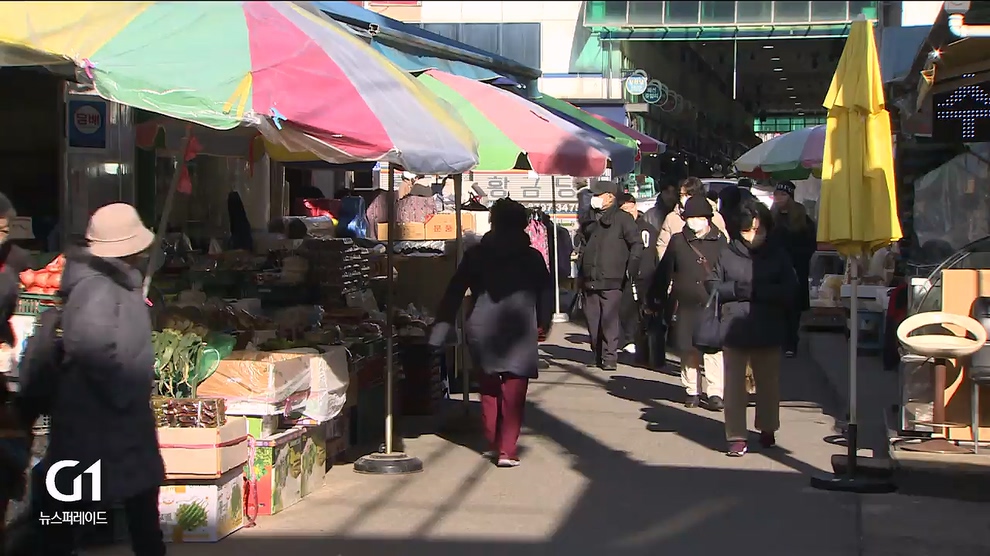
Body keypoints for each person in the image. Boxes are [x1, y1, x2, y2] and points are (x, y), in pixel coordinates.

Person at [21, 203, 166, 555]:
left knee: (139, 514)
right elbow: (90, 347)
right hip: (98, 424)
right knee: (67, 522)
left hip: (114, 423)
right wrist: (123, 394)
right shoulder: (97, 287)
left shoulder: (113, 281)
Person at [429, 199, 552, 468]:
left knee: (489, 388)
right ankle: (507, 450)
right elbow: (546, 292)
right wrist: (544, 322)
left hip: (481, 327)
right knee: (514, 392)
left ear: (493, 222)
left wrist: (440, 329)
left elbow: (454, 291)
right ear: (523, 225)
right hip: (520, 328)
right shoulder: (532, 257)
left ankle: (493, 438)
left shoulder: (476, 254)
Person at [708, 198, 797, 456]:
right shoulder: (727, 253)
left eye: (758, 230)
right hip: (734, 329)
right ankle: (736, 436)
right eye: (747, 230)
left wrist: (760, 291)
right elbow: (712, 285)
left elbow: (790, 289)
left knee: (768, 384)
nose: (753, 236)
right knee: (734, 387)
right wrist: (736, 290)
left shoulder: (778, 254)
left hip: (768, 326)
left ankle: (768, 427)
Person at [668, 196, 727, 410]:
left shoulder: (720, 241)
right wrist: (656, 298)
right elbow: (666, 269)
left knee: (713, 350)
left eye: (699, 217)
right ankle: (692, 390)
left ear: (708, 219)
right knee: (688, 350)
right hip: (685, 303)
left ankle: (715, 392)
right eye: (690, 217)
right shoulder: (678, 241)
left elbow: (727, 270)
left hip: (711, 303)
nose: (694, 221)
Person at [578, 180, 643, 371]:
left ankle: (609, 356)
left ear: (610, 197)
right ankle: (596, 352)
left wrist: (631, 267)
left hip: (613, 277)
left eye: (598, 195)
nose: (595, 198)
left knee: (609, 319)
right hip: (590, 277)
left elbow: (636, 244)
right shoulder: (589, 218)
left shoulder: (623, 219)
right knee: (592, 319)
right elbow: (583, 245)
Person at [770, 180, 817, 357]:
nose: (779, 198)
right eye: (777, 194)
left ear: (790, 196)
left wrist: (795, 259)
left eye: (783, 194)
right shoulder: (771, 218)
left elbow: (810, 245)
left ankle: (790, 342)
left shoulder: (802, 219)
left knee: (792, 308)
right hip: (775, 270)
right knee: (777, 307)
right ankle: (779, 340)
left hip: (796, 269)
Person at [616, 193, 659, 357]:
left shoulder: (648, 228)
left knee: (646, 307)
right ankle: (629, 338)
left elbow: (655, 251)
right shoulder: (619, 228)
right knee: (627, 308)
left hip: (647, 273)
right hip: (627, 275)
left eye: (631, 208)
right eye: (625, 209)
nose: (629, 212)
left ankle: (643, 339)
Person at [656, 177, 728, 262]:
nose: (683, 199)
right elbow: (662, 246)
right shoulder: (672, 218)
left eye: (687, 195)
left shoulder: (715, 217)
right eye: (681, 195)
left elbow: (724, 244)